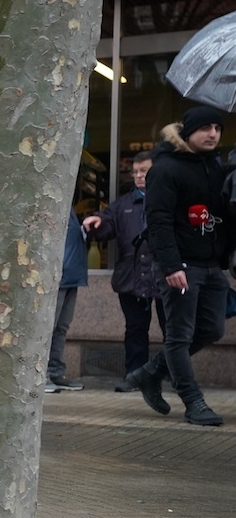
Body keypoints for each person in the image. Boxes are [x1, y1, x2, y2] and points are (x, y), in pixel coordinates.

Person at [125, 108, 231, 426]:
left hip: (210, 263)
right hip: (180, 265)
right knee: (179, 335)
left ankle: (150, 372)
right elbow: (158, 221)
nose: (213, 133)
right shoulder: (166, 168)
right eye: (205, 128)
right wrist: (171, 265)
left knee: (213, 328)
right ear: (188, 132)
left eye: (217, 128)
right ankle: (193, 401)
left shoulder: (214, 165)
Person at [82, 152, 164, 391]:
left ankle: (177, 377)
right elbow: (107, 222)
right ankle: (134, 376)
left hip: (164, 274)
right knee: (135, 329)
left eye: (144, 171)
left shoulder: (168, 198)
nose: (139, 176)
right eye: (135, 172)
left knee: (173, 331)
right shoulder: (124, 204)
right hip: (132, 276)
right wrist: (96, 222)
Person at [43, 203, 89, 392]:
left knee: (61, 327)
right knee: (49, 328)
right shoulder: (52, 203)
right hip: (58, 276)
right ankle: (43, 375)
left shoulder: (67, 206)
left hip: (71, 275)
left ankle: (55, 372)